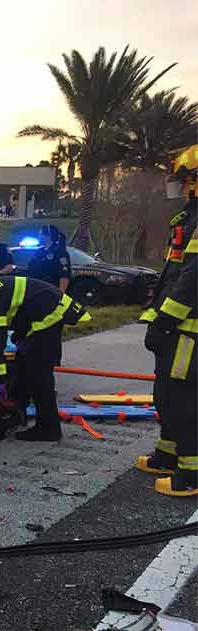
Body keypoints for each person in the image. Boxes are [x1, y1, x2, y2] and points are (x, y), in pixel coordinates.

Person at [0, 276, 90, 442]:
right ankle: (16, 413)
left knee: (38, 373)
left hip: (48, 313)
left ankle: (49, 428)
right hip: (40, 313)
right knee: (23, 365)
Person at [137, 144, 198, 497]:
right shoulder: (188, 218)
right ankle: (169, 453)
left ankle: (190, 473)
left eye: (185, 179)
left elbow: (193, 278)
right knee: (165, 393)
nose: (178, 186)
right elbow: (174, 272)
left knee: (184, 398)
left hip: (188, 328)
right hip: (176, 325)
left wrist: (167, 319)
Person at [27, 224, 71, 291]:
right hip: (36, 289)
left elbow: (64, 276)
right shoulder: (39, 251)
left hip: (50, 290)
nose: (39, 236)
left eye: (41, 234)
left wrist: (60, 295)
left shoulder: (60, 252)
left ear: (48, 236)